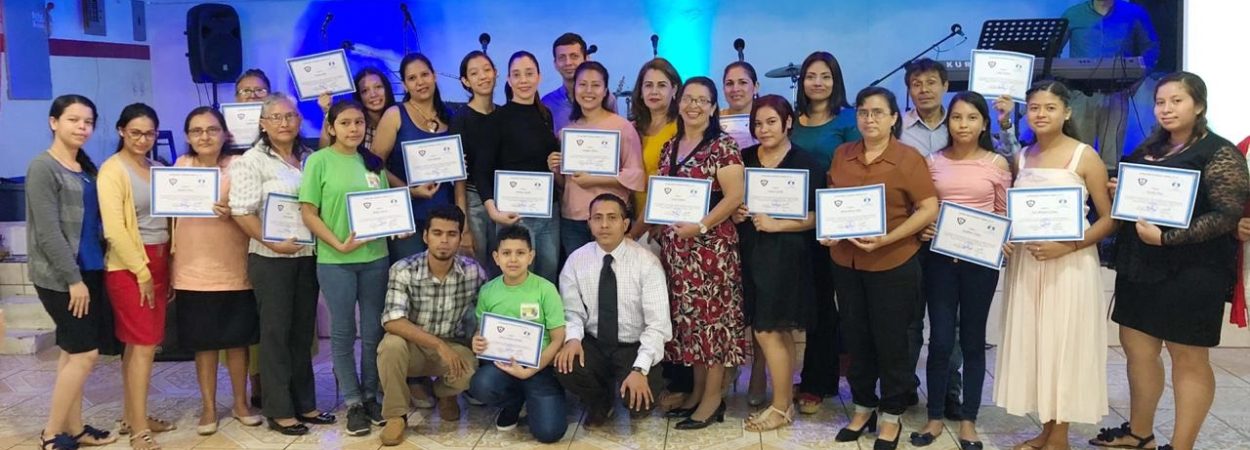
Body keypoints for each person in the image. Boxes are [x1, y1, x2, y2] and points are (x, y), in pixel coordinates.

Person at [1091, 72, 1249, 450]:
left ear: (1199, 105)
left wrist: (1168, 238)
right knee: (1138, 349)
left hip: (1193, 271)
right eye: (1160, 102)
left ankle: (1181, 445)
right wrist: (1120, 190)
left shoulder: (1219, 151)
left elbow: (1227, 215)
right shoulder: (1152, 147)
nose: (1166, 109)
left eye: (1176, 101)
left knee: (1188, 358)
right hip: (1140, 267)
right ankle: (1140, 434)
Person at [995, 80, 1114, 450]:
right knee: (1039, 344)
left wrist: (1068, 247)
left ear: (1066, 111)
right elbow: (1021, 211)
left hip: (1070, 264)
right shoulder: (1022, 157)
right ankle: (1046, 429)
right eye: (1034, 108)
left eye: (1049, 107)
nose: (1041, 114)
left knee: (1063, 344)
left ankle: (1059, 435)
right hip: (1029, 265)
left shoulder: (1084, 156)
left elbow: (1109, 219)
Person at [822, 87, 938, 450]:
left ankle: (891, 415)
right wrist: (828, 232)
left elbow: (928, 208)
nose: (869, 119)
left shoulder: (908, 158)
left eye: (877, 112)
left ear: (893, 118)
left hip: (894, 262)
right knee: (856, 338)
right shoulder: (843, 154)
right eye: (862, 112)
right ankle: (862, 407)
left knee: (893, 343)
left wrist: (887, 239)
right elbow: (833, 202)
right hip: (847, 262)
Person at [910, 92, 1012, 450]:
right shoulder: (932, 162)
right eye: (956, 118)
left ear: (983, 123)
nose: (963, 125)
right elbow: (922, 208)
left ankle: (969, 420)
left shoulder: (998, 164)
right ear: (947, 122)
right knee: (938, 341)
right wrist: (923, 227)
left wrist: (1003, 239)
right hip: (938, 262)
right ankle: (935, 417)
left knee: (972, 341)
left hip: (980, 266)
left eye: (971, 118)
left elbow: (1003, 213)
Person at [229, 93, 334, 436]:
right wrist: (271, 241)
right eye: (276, 117)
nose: (284, 123)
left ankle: (305, 403)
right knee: (275, 334)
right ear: (262, 124)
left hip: (307, 255)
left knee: (303, 333)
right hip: (271, 258)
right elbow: (241, 211)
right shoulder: (251, 161)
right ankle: (279, 409)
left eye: (290, 116)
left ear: (299, 120)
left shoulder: (309, 158)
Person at [28, 94, 121, 450]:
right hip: (63, 277)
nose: (82, 127)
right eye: (73, 120)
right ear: (54, 122)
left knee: (72, 352)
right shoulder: (43, 167)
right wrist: (73, 280)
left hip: (93, 268)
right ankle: (52, 433)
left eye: (87, 121)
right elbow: (48, 232)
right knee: (85, 354)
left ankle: (76, 427)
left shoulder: (87, 169)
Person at [656, 76, 748, 431]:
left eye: (702, 100)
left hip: (711, 251)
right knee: (690, 326)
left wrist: (702, 226)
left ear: (713, 107)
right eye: (688, 99)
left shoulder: (723, 146)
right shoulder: (670, 145)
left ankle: (713, 400)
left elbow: (734, 196)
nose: (694, 105)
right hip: (679, 251)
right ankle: (695, 393)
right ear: (679, 103)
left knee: (712, 327)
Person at [729, 95, 824, 431]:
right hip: (751, 252)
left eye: (771, 121)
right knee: (774, 330)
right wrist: (737, 212)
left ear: (787, 123)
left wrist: (778, 224)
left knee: (769, 330)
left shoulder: (806, 162)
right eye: (757, 123)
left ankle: (781, 407)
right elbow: (732, 202)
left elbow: (819, 216)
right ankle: (782, 403)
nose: (763, 129)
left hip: (787, 256)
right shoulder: (743, 159)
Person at [298, 100, 392, 436]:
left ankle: (370, 396)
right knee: (341, 333)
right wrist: (337, 243)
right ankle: (352, 401)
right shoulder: (318, 161)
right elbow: (308, 212)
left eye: (359, 123)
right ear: (331, 126)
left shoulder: (373, 163)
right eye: (346, 123)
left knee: (372, 332)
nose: (354, 129)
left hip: (375, 258)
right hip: (335, 260)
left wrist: (398, 224)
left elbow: (383, 209)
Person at [170, 107, 262, 436]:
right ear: (187, 136)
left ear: (225, 133)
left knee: (238, 342)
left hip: (234, 268)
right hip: (192, 271)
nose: (205, 136)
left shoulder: (239, 167)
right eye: (196, 131)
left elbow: (252, 213)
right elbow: (170, 218)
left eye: (211, 129)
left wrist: (232, 214)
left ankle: (240, 403)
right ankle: (208, 406)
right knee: (204, 344)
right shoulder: (180, 167)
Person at [554, 193, 671, 426]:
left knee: (640, 405)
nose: (604, 225)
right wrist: (573, 340)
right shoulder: (577, 260)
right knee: (566, 364)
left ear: (625, 224)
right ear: (589, 223)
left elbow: (657, 326)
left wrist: (640, 368)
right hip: (595, 342)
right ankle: (600, 400)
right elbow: (572, 312)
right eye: (597, 218)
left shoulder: (646, 263)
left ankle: (631, 380)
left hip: (633, 346)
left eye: (612, 218)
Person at [376, 205, 488, 446]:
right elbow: (392, 320)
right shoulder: (404, 269)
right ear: (426, 236)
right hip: (412, 347)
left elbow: (484, 315)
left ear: (460, 237)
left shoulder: (473, 272)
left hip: (451, 345)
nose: (444, 241)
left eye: (451, 234)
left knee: (471, 364)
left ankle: (445, 395)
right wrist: (438, 345)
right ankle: (396, 415)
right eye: (437, 233)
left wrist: (480, 334)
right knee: (390, 346)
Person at [98, 103, 175, 450]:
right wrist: (141, 271)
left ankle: (133, 415)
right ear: (120, 131)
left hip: (160, 261)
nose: (143, 139)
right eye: (135, 133)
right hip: (130, 267)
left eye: (149, 133)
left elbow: (171, 219)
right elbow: (114, 230)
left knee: (139, 346)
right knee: (143, 346)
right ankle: (139, 428)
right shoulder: (112, 170)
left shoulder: (158, 167)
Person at [791, 51, 857, 415]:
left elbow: (853, 168)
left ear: (836, 81)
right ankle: (817, 377)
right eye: (811, 76)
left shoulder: (848, 119)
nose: (817, 82)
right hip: (791, 223)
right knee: (810, 301)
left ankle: (818, 382)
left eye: (825, 76)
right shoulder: (793, 120)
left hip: (833, 222)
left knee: (829, 305)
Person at [468, 225, 569, 443]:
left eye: (520, 253)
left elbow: (558, 337)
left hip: (541, 368)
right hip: (502, 366)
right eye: (506, 253)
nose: (513, 259)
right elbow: (481, 328)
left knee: (549, 433)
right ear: (496, 257)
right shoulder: (488, 291)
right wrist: (477, 341)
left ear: (531, 256)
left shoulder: (545, 289)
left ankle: (540, 398)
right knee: (480, 385)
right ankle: (513, 402)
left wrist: (530, 370)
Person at [477, 51, 561, 283]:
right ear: (508, 80)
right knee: (519, 279)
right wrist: (494, 212)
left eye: (529, 73)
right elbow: (482, 171)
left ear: (539, 77)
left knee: (548, 274)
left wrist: (555, 162)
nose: (523, 80)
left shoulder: (546, 115)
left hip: (548, 211)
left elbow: (545, 161)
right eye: (517, 75)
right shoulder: (496, 119)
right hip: (513, 215)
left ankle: (546, 320)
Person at [374, 54, 467, 261]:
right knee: (410, 279)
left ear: (434, 76)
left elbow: (461, 176)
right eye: (412, 78)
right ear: (405, 85)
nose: (420, 82)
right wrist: (408, 190)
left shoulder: (451, 117)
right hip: (407, 217)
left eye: (424, 75)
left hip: (446, 217)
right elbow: (374, 164)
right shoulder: (395, 114)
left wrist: (464, 222)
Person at [547, 61, 645, 255]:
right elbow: (565, 184)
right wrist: (555, 168)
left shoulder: (622, 127)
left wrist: (595, 179)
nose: (588, 91)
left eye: (596, 85)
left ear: (605, 90)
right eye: (582, 84)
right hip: (573, 219)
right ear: (574, 88)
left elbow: (636, 175)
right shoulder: (567, 131)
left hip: (609, 219)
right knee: (579, 276)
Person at [1059, 0, 1161, 168]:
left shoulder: (1134, 13)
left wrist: (1138, 79)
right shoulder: (1073, 14)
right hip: (1080, 94)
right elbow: (1053, 50)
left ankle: (1107, 193)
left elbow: (1151, 48)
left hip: (1117, 94)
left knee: (1111, 160)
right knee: (1077, 158)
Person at [232, 68, 272, 408]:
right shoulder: (222, 143)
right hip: (229, 243)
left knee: (269, 317)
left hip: (271, 246)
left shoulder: (285, 146)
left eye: (259, 91)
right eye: (245, 91)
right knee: (241, 320)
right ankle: (247, 388)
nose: (252, 96)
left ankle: (268, 383)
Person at [450, 50, 500, 272]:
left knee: (504, 265)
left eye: (487, 70)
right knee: (477, 269)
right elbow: (458, 175)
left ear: (496, 73)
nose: (483, 76)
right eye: (474, 73)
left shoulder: (504, 115)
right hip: (473, 200)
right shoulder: (460, 119)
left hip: (504, 198)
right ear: (465, 81)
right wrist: (465, 225)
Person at [626, 58, 681, 242]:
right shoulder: (631, 128)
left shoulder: (681, 129)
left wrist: (654, 223)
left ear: (674, 90)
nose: (654, 91)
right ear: (640, 91)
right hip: (631, 217)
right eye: (648, 85)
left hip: (664, 224)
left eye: (662, 85)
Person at [316, 67, 400, 157]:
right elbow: (324, 153)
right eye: (365, 91)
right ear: (359, 96)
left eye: (378, 87)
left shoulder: (402, 118)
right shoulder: (354, 127)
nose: (373, 94)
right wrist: (327, 112)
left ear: (387, 89)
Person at [541, 32, 617, 132]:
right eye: (562, 57)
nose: (568, 63)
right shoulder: (547, 103)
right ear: (555, 64)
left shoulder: (606, 99)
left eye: (574, 56)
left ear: (586, 59)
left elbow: (615, 132)